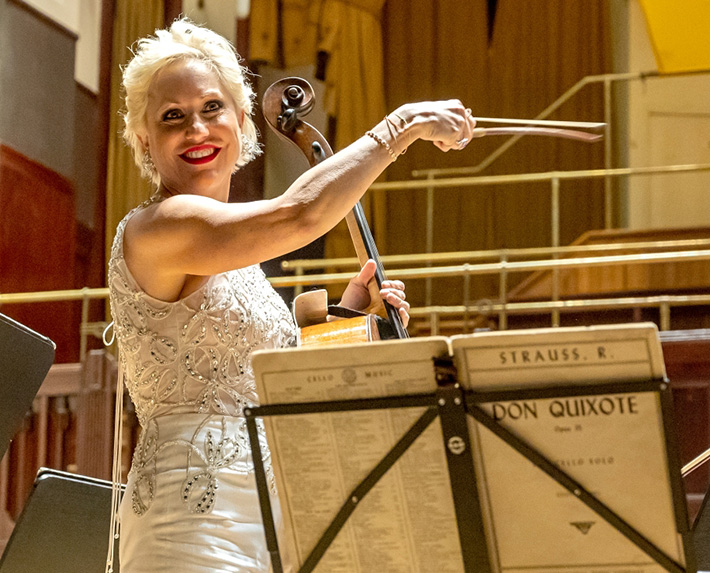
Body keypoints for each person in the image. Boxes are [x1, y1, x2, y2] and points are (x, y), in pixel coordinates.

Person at [106, 17, 474, 573]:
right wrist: (401, 126)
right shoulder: (158, 226)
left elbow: (262, 386)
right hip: (189, 527)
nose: (198, 130)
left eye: (212, 108)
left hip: (273, 521)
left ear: (240, 119)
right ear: (144, 140)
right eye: (172, 117)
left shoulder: (240, 260)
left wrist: (350, 313)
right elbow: (299, 214)